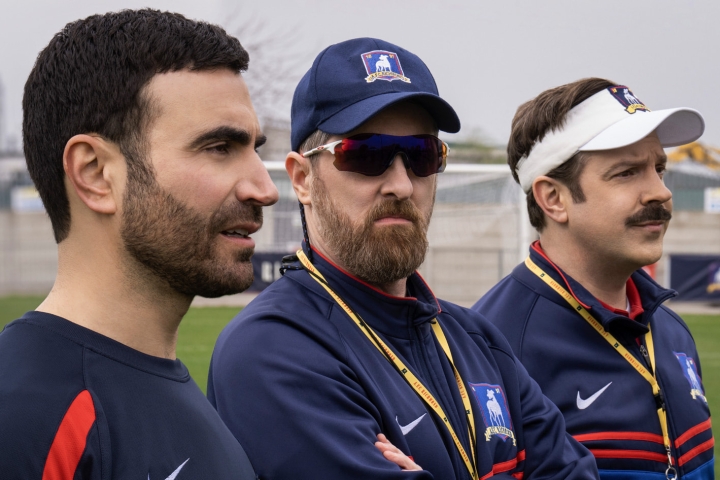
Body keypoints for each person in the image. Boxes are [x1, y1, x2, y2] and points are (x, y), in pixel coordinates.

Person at [208, 37, 599, 480]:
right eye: (366, 155)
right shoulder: (271, 349)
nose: (402, 184)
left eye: (421, 155)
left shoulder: (476, 339)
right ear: (301, 179)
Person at [0, 9, 278, 479]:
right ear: (95, 174)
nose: (263, 188)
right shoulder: (24, 416)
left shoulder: (183, 398)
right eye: (219, 148)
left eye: (254, 148)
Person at [472, 78, 714, 479]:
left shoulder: (670, 329)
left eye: (658, 168)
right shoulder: (492, 348)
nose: (660, 192)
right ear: (553, 198)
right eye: (626, 173)